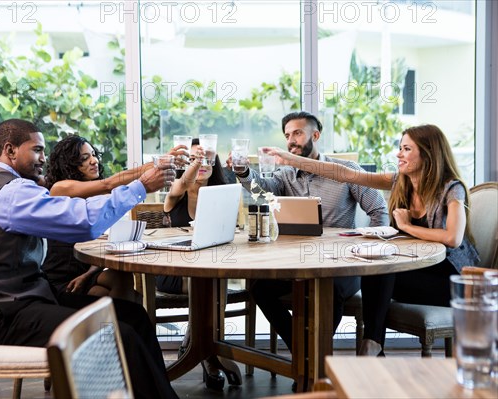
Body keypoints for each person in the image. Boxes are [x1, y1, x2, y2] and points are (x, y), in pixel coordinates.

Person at [0, 119, 178, 399]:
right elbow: (86, 222)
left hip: (20, 301)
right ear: (10, 150)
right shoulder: (14, 194)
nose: (44, 158)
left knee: (134, 317)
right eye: (38, 150)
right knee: (120, 335)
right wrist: (140, 188)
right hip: (6, 314)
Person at [263, 123, 480, 356]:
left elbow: (452, 238)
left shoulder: (451, 188)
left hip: (451, 282)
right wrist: (290, 159)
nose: (399, 154)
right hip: (418, 271)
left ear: (428, 153)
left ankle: (371, 344)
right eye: (400, 148)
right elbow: (345, 173)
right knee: (375, 268)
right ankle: (371, 344)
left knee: (381, 271)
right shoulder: (401, 182)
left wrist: (406, 226)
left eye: (406, 149)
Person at [228, 111, 389, 362]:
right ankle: (303, 351)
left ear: (315, 135)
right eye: (287, 135)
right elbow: (263, 194)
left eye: (298, 133)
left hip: (340, 268)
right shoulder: (285, 176)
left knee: (328, 290)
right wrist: (244, 173)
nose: (291, 140)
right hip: (296, 265)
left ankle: (312, 359)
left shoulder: (346, 171)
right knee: (259, 287)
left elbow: (379, 211)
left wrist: (367, 249)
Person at [158, 138, 241, 391]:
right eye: (196, 158)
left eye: (207, 159)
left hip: (209, 270)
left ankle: (195, 346)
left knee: (216, 277)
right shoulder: (177, 191)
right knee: (211, 281)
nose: (203, 163)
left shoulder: (221, 193)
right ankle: (209, 352)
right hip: (173, 271)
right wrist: (195, 162)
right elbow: (182, 183)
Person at [42, 134, 161, 303]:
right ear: (68, 164)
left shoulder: (94, 195)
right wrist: (156, 164)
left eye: (94, 155)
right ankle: (128, 324)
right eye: (85, 158)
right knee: (107, 295)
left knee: (120, 278)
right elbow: (110, 184)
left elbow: (94, 245)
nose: (94, 161)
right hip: (60, 277)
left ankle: (124, 326)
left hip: (84, 270)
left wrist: (89, 273)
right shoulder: (60, 189)